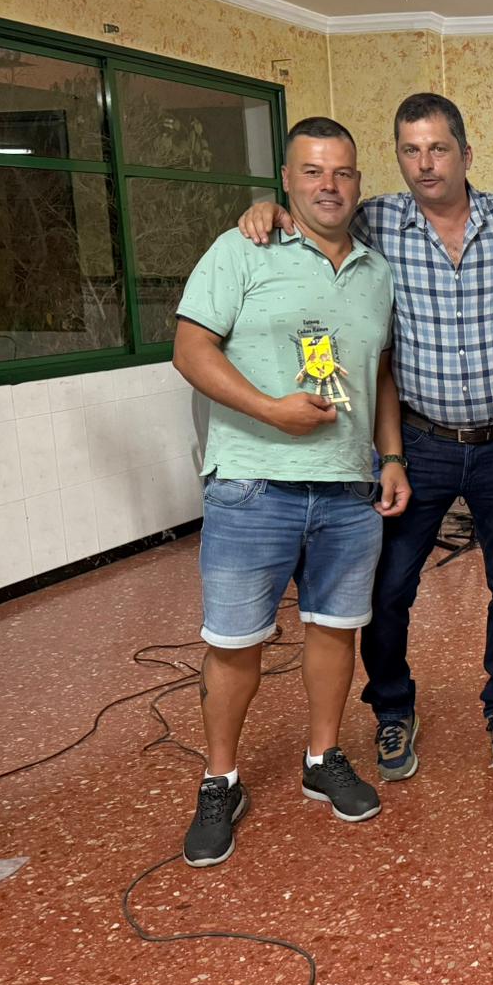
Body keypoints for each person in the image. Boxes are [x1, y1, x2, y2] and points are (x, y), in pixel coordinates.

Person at [238, 93, 493, 779]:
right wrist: (268, 210)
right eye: (410, 149)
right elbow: (313, 216)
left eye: (438, 148)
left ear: (466, 152)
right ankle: (394, 710)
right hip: (420, 442)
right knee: (390, 589)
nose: (424, 163)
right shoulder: (374, 220)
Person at [173, 116, 409, 867]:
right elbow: (190, 348)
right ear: (287, 181)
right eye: (312, 172)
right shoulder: (244, 247)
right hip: (253, 486)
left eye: (341, 173)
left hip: (347, 490)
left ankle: (323, 757)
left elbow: (376, 374)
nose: (328, 186)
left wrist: (392, 455)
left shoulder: (377, 271)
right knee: (234, 644)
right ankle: (221, 781)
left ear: (359, 183)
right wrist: (270, 409)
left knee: (335, 631)